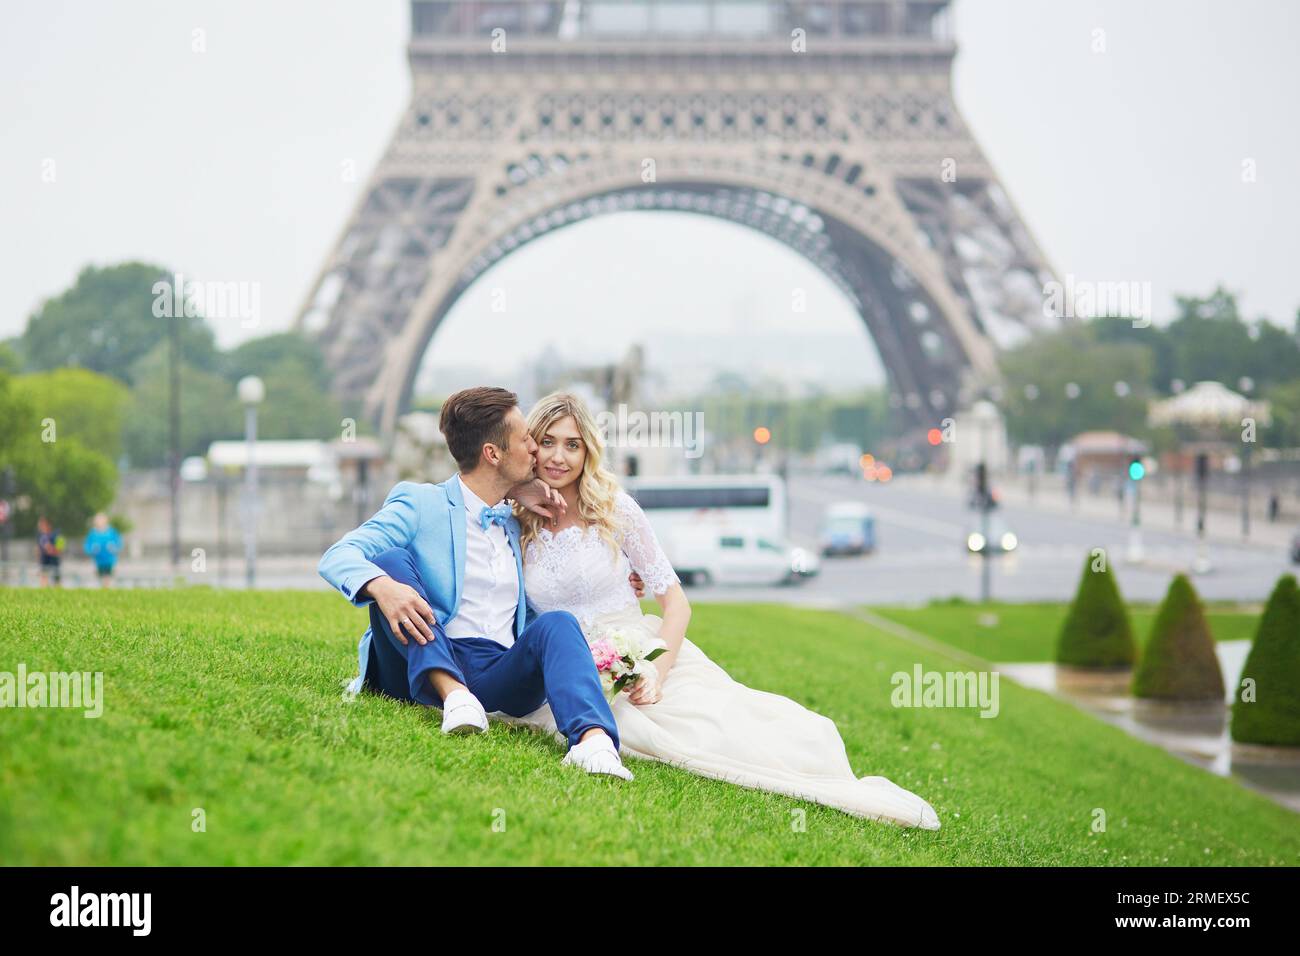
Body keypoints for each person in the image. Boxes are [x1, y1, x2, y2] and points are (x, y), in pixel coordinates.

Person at [506, 392, 941, 830]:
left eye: (572, 444)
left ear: (589, 452)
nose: (558, 456)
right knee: (637, 733)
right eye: (547, 442)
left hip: (634, 650)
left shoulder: (615, 510)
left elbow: (676, 602)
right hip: (564, 661)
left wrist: (656, 670)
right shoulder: (515, 517)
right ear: (530, 446)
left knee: (717, 729)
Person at [319, 386, 642, 780]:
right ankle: (453, 694)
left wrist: (621, 577)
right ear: (493, 454)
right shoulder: (422, 504)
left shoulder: (515, 518)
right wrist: (382, 587)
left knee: (557, 623)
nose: (536, 450)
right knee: (388, 562)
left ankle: (593, 744)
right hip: (422, 660)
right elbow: (339, 555)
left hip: (498, 672)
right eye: (526, 440)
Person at [83, 512, 123, 587]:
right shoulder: (93, 533)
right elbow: (87, 545)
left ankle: (107, 588)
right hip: (98, 560)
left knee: (108, 577)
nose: (100, 522)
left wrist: (113, 548)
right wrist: (92, 550)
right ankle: (102, 588)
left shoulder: (111, 532)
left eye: (101, 520)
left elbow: (119, 543)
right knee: (100, 577)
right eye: (98, 520)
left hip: (110, 560)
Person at [36, 516, 64, 588]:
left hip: (54, 559)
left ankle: (57, 588)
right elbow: (39, 549)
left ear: (48, 525)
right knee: (44, 577)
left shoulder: (57, 535)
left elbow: (60, 547)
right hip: (44, 559)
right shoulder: (41, 536)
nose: (40, 527)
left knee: (56, 578)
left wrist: (53, 550)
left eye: (42, 525)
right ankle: (44, 588)